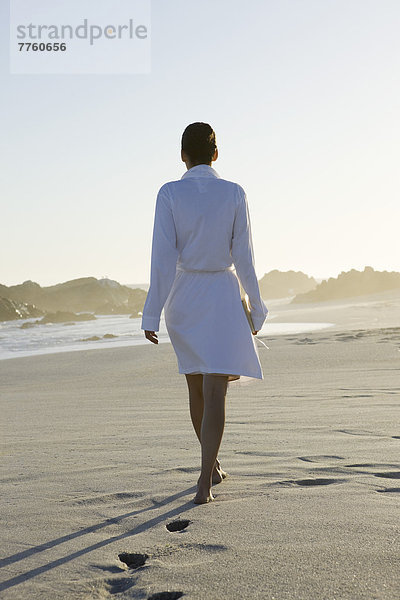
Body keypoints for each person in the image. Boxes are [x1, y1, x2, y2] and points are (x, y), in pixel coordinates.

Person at [141, 122, 268, 504]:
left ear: (183, 155)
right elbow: (244, 257)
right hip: (222, 297)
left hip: (184, 299)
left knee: (196, 389)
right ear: (216, 154)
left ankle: (210, 468)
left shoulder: (169, 193)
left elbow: (162, 260)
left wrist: (151, 314)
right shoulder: (233, 192)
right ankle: (204, 477)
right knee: (216, 393)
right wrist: (257, 308)